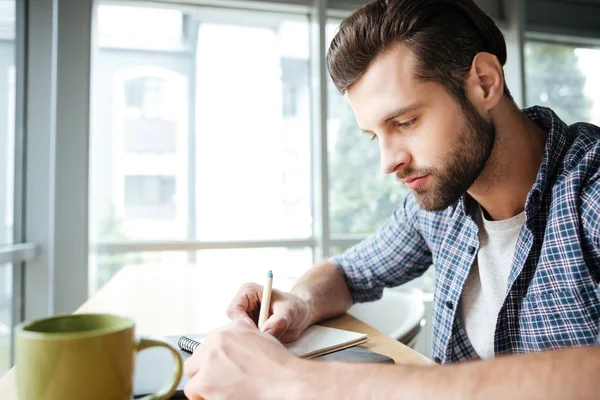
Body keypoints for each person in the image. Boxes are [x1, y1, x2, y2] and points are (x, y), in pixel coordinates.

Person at [183, 0, 600, 398]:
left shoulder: (590, 190)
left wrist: (298, 382)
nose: (388, 162)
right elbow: (348, 274)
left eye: (406, 121)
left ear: (484, 83)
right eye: (374, 136)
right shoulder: (445, 201)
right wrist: (299, 304)